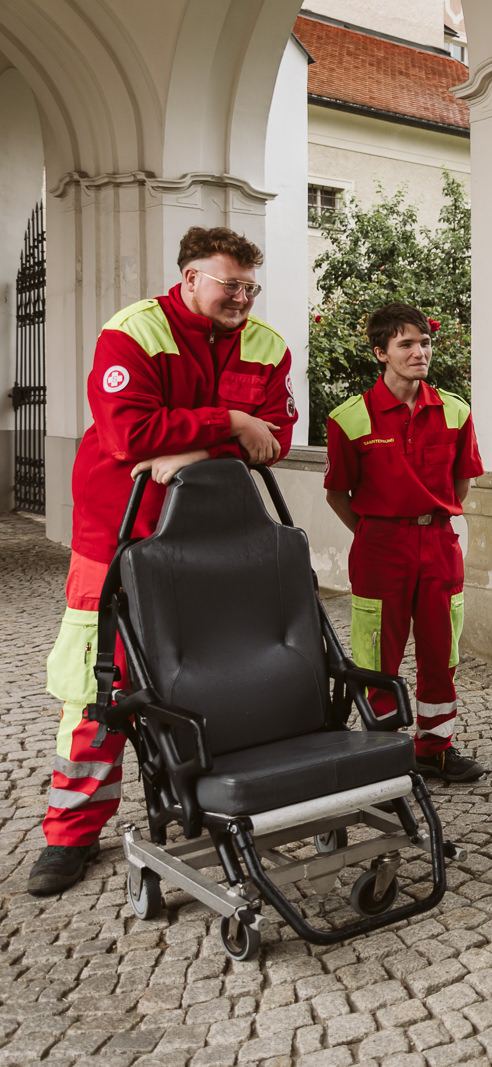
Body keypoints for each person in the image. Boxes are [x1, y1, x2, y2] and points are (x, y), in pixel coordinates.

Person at [32, 226, 296, 896]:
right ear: (188, 278)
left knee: (219, 671)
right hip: (119, 539)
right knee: (99, 688)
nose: (242, 297)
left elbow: (278, 439)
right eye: (228, 283)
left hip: (215, 541)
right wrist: (232, 420)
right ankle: (71, 833)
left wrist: (197, 448)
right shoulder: (133, 333)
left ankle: (211, 799)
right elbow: (128, 434)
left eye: (249, 286)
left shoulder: (268, 346)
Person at [325, 302, 486, 782]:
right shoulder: (349, 418)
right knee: (377, 655)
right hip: (379, 548)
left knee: (442, 653)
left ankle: (435, 749)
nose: (420, 352)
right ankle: (382, 752)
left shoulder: (455, 410)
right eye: (406, 344)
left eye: (425, 343)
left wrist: (425, 521)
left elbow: (462, 483)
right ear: (381, 353)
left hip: (438, 543)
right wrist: (378, 532)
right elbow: (338, 494)